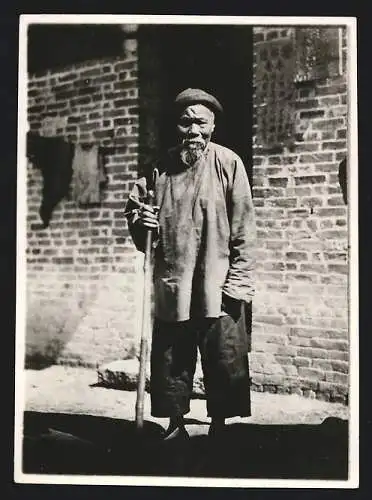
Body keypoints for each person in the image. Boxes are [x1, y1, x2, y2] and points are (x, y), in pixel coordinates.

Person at [125, 88, 256, 440]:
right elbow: (136, 216)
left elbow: (245, 228)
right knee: (172, 358)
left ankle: (220, 424)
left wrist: (239, 281)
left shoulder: (229, 163)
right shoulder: (158, 170)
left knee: (224, 355)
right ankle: (175, 423)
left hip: (219, 281)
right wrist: (142, 221)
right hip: (174, 283)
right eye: (186, 122)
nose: (193, 130)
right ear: (177, 126)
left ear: (213, 126)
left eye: (201, 122)